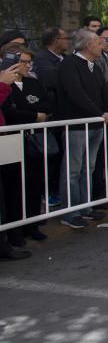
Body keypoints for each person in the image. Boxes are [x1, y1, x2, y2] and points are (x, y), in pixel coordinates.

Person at [56, 30, 108, 229]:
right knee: (73, 170)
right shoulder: (69, 64)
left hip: (95, 124)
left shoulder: (95, 65)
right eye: (97, 42)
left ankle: (86, 206)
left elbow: (105, 89)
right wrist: (98, 112)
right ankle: (70, 211)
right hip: (77, 124)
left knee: (89, 167)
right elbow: (76, 93)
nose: (101, 44)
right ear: (87, 46)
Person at [1, 47, 54, 245]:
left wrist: (33, 113)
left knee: (35, 183)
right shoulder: (5, 86)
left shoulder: (33, 82)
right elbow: (9, 112)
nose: (25, 66)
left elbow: (47, 106)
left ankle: (33, 224)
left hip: (34, 141)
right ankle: (15, 231)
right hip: (12, 141)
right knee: (15, 187)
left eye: (28, 62)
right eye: (21, 61)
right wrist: (33, 115)